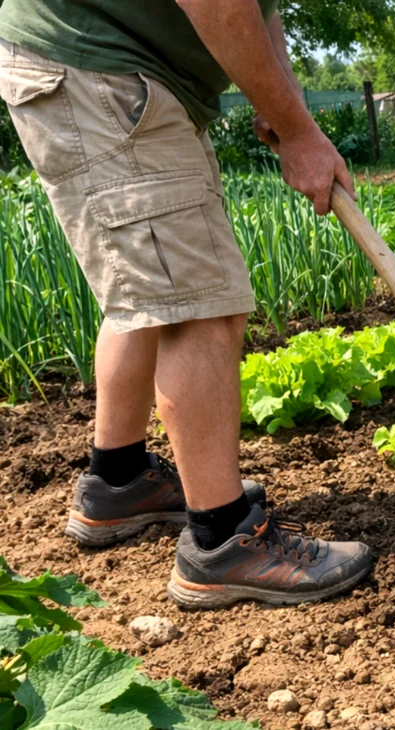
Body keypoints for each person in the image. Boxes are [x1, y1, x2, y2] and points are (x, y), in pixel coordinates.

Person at [0, 0, 374, 608]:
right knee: (199, 304)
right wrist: (300, 132)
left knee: (148, 295)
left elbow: (259, 10)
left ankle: (118, 482)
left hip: (103, 63)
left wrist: (283, 103)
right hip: (100, 63)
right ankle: (223, 540)